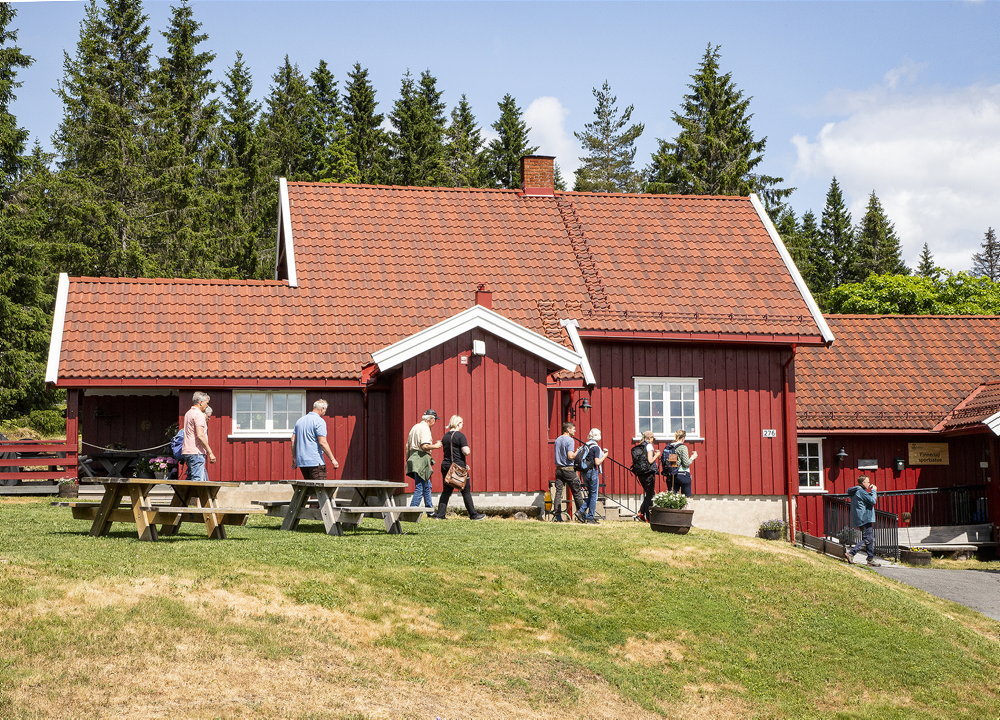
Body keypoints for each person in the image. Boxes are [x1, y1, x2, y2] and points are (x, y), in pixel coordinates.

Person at [431, 415, 486, 520]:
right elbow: (466, 452)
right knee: (465, 491)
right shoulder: (460, 436)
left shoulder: (445, 436)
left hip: (446, 466)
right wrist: (467, 450)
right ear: (458, 424)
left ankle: (440, 515)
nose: (462, 425)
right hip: (457, 467)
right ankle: (473, 515)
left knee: (446, 490)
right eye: (462, 423)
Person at [291, 399, 339, 479]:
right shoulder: (319, 421)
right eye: (325, 410)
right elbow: (322, 443)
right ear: (322, 409)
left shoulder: (299, 421)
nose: (325, 412)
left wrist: (294, 457)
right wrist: (333, 459)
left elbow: (293, 440)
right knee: (320, 486)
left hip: (302, 462)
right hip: (315, 462)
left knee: (308, 486)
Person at [407, 410, 442, 510]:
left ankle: (430, 510)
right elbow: (425, 446)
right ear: (431, 419)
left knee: (427, 485)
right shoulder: (425, 428)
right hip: (421, 458)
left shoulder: (415, 427)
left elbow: (407, 445)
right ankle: (412, 510)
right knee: (420, 486)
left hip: (413, 457)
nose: (435, 422)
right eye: (435, 419)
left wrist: (407, 460)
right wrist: (436, 446)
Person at [846, 475, 881, 567]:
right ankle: (851, 553)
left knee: (869, 538)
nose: (869, 483)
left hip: (861, 517)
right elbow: (873, 501)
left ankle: (870, 559)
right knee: (868, 539)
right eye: (868, 482)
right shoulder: (861, 491)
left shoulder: (857, 491)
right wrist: (874, 491)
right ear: (863, 483)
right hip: (865, 517)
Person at [553, 422, 585, 522]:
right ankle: (581, 516)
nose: (575, 431)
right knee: (577, 492)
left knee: (558, 493)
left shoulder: (557, 439)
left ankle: (557, 516)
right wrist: (578, 451)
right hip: (569, 470)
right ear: (568, 429)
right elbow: (570, 456)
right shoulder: (570, 440)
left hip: (559, 469)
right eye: (573, 429)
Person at [180, 391, 215, 481]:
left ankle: (184, 491)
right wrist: (210, 452)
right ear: (201, 402)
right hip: (196, 452)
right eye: (206, 403)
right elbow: (200, 435)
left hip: (188, 451)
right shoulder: (198, 414)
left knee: (191, 478)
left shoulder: (188, 413)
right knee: (198, 480)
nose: (207, 405)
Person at [577, 428, 608, 524]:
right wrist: (605, 455)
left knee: (591, 494)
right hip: (592, 472)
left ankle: (581, 512)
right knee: (594, 495)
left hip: (584, 472)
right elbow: (597, 462)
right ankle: (590, 516)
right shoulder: (596, 447)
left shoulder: (586, 445)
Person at [633, 430, 662, 522]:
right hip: (648, 473)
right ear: (650, 438)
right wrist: (657, 455)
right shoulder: (649, 445)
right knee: (650, 495)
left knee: (649, 493)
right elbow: (650, 460)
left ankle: (640, 513)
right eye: (653, 438)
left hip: (640, 472)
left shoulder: (640, 446)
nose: (653, 440)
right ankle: (648, 517)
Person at [670, 429, 697, 497]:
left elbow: (673, 463)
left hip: (674, 474)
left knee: (674, 497)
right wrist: (693, 457)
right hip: (683, 474)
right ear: (683, 438)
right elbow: (686, 463)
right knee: (686, 497)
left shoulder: (671, 446)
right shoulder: (683, 447)